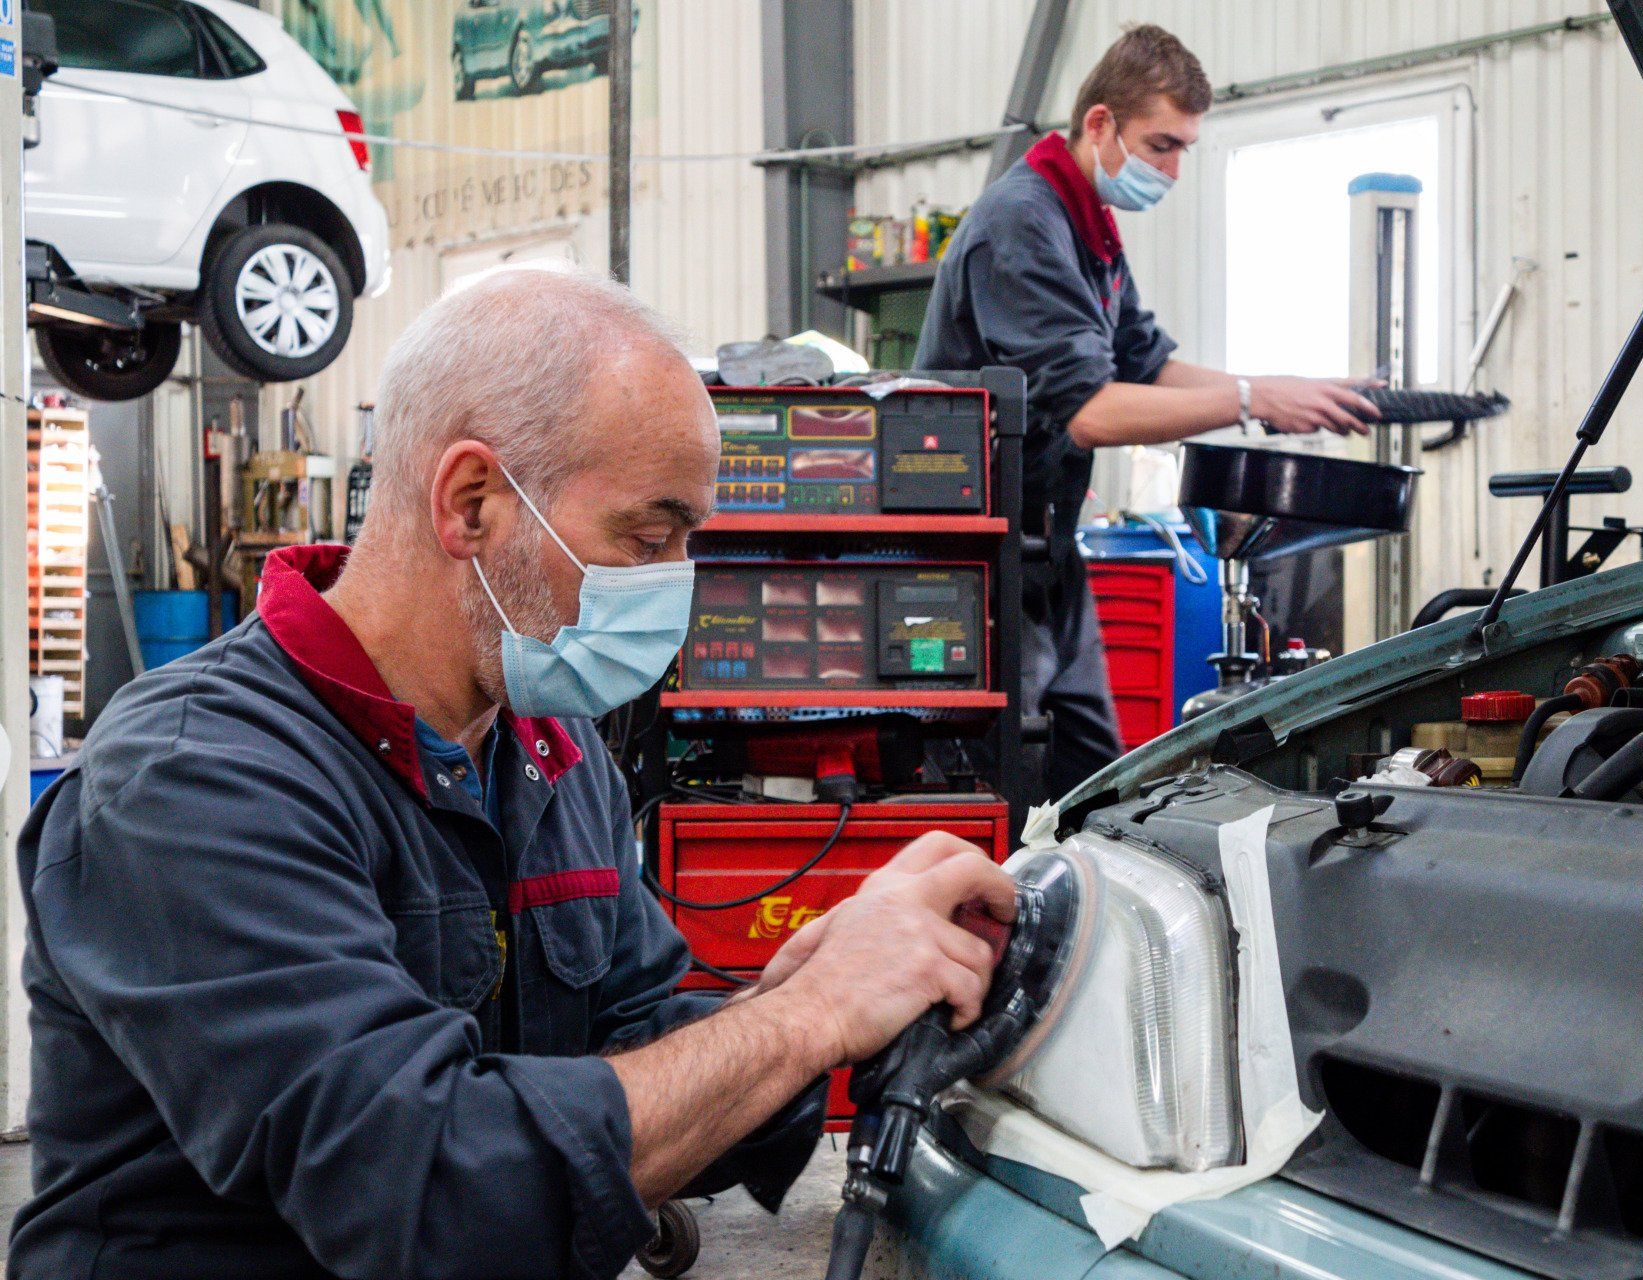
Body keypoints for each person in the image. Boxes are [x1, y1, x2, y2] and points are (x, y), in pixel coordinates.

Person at [11, 270, 1015, 1280]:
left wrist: (817, 991)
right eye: (648, 537)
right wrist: (803, 1020)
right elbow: (420, 1186)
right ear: (472, 502)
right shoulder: (195, 779)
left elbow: (634, 1039)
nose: (675, 584)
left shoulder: (549, 749)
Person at [916, 24, 1379, 799]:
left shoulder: (1086, 225)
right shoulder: (1021, 224)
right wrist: (1249, 398)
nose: (1170, 170)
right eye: (1161, 145)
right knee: (994, 797)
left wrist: (1284, 391)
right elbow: (1090, 412)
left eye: (1183, 151)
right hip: (978, 571)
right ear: (1100, 123)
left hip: (1047, 559)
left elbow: (1151, 366)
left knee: (1093, 784)